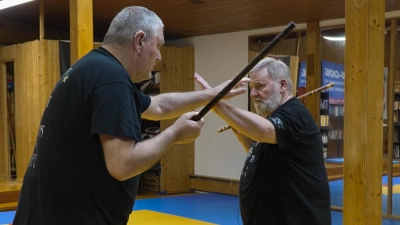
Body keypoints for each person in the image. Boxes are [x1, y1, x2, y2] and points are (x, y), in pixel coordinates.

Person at [12, 6, 250, 225]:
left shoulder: (94, 68)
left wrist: (213, 94)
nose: (159, 56)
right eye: (158, 45)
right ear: (139, 41)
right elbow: (122, 164)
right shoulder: (111, 80)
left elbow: (159, 106)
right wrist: (175, 134)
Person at [195, 57, 331, 225]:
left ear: (282, 85)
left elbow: (264, 131)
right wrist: (242, 135)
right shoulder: (274, 117)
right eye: (252, 87)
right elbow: (266, 157)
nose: (253, 93)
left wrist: (214, 102)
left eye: (259, 86)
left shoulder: (295, 115)